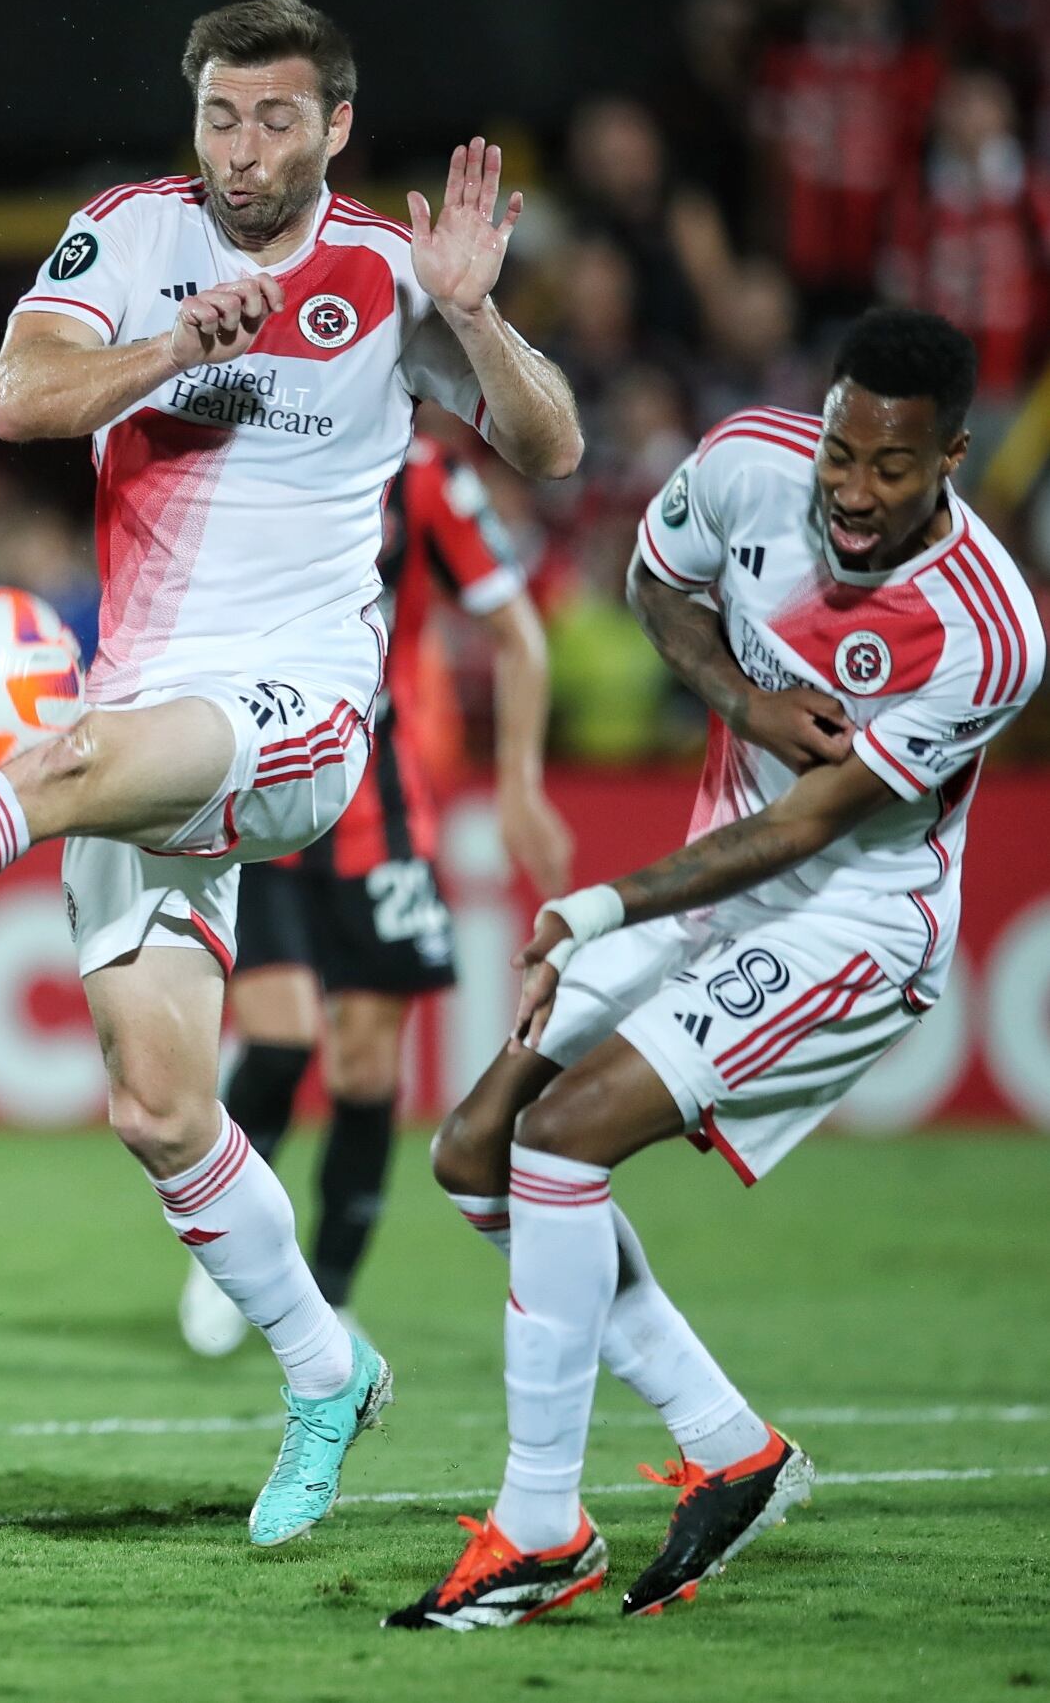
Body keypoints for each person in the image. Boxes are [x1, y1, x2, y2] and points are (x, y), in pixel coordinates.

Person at [0, 0, 583, 1547]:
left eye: (276, 119)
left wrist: (475, 315)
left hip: (294, 707)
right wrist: (166, 347)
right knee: (157, 1108)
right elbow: (18, 399)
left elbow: (545, 449)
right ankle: (323, 1368)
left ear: (334, 127)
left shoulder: (388, 275)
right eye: (220, 115)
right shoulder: (129, 238)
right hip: (147, 697)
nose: (242, 148)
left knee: (65, 763)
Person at [389, 310, 1036, 1630]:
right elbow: (655, 584)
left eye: (887, 470)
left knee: (559, 1144)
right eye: (838, 455)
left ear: (951, 459)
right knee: (474, 1152)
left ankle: (534, 1528)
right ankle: (726, 1443)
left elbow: (805, 823)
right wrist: (739, 702)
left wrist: (597, 901)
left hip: (844, 926)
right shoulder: (747, 459)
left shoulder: (987, 632)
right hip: (710, 884)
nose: (850, 492)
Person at [181, 435, 571, 1356]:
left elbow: (517, 633)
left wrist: (518, 783)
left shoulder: (427, 476)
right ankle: (223, 1255)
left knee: (363, 1068)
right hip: (260, 781)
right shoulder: (245, 452)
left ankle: (332, 1292)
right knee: (277, 1040)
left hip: (380, 805)